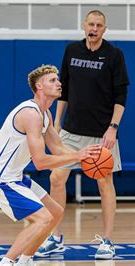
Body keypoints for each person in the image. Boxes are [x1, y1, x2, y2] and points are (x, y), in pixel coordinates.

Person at [36, 10, 129, 260]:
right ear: (83, 25)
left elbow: (121, 98)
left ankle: (107, 241)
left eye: (99, 25)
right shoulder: (71, 51)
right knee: (56, 179)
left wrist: (113, 128)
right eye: (91, 24)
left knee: (104, 183)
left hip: (101, 133)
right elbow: (62, 92)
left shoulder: (114, 55)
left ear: (104, 29)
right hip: (70, 132)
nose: (94, 28)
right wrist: (56, 123)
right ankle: (55, 238)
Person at [0, 65, 100, 265]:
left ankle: (26, 260)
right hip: (0, 179)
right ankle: (6, 262)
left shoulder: (45, 114)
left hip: (16, 177)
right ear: (39, 87)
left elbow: (58, 148)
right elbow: (41, 162)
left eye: (58, 80)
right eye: (53, 80)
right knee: (43, 219)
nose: (59, 83)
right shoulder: (30, 114)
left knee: (55, 212)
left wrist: (85, 158)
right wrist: (77, 154)